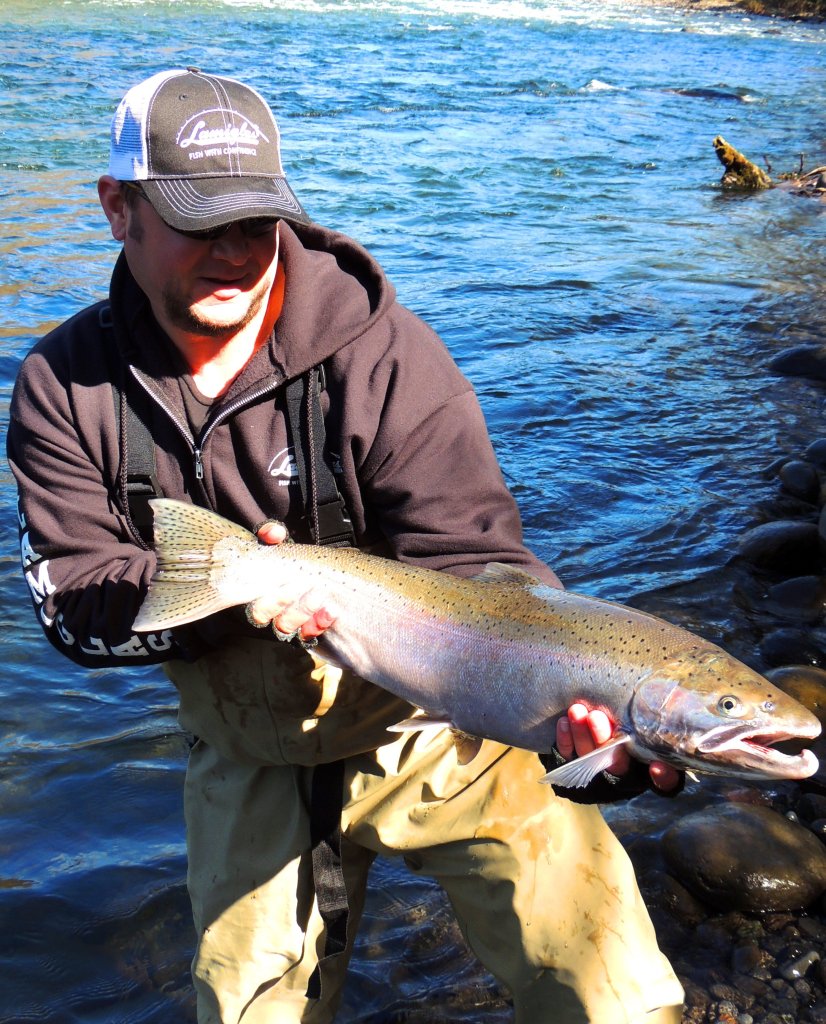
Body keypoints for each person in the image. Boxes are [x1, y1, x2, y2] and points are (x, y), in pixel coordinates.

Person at [7, 69, 685, 1024]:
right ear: (119, 208)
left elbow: (483, 571)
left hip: (435, 728)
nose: (237, 255)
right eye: (202, 224)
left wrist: (576, 733)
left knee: (611, 996)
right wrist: (237, 595)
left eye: (257, 224)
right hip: (245, 749)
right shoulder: (63, 388)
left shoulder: (388, 356)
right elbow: (77, 606)